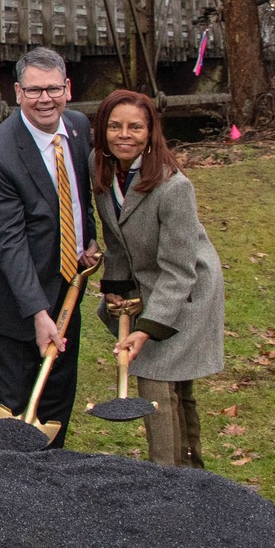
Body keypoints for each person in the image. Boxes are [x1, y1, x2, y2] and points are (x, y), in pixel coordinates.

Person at [91, 89, 225, 467]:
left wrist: (147, 328)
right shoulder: (100, 166)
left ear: (151, 133)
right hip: (145, 281)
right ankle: (192, 475)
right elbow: (114, 236)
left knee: (157, 378)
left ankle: (167, 479)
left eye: (136, 127)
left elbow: (180, 269)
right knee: (173, 380)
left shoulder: (174, 187)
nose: (124, 135)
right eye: (114, 126)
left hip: (187, 288)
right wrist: (116, 289)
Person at [0, 47, 101, 448]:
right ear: (17, 92)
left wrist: (89, 239)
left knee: (54, 409)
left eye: (52, 89)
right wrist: (37, 311)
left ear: (67, 88)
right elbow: (8, 239)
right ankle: (6, 500)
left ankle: (51, 495)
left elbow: (79, 196)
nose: (44, 99)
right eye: (34, 90)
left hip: (66, 292)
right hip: (14, 308)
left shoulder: (79, 128)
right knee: (8, 419)